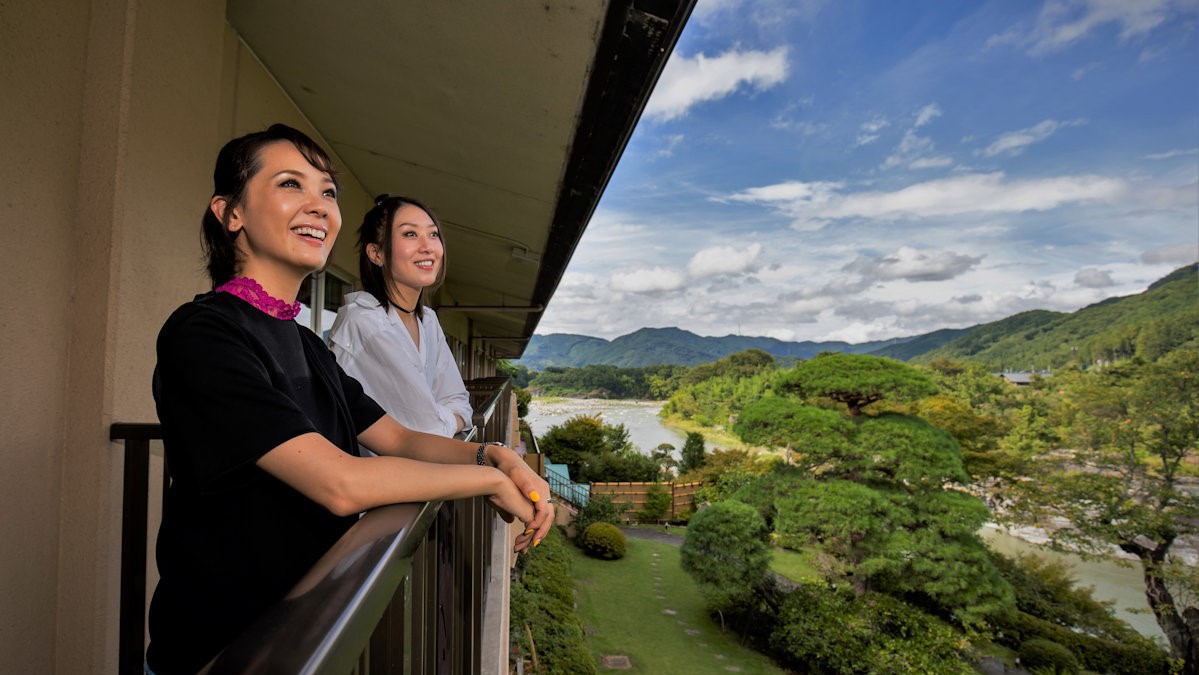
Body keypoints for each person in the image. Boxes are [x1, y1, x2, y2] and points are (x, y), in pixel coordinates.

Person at [145, 124, 552, 675]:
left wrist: (495, 455)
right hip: (224, 650)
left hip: (310, 624)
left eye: (329, 193)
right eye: (292, 185)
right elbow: (341, 483)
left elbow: (399, 437)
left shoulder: (308, 345)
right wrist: (490, 481)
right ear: (230, 212)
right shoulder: (204, 335)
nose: (319, 207)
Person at [328, 195, 472, 438]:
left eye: (433, 234)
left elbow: (458, 401)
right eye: (410, 234)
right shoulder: (365, 322)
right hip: (375, 471)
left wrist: (445, 416)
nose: (427, 246)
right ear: (376, 253)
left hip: (416, 467)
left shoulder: (427, 320)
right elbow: (423, 428)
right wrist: (451, 419)